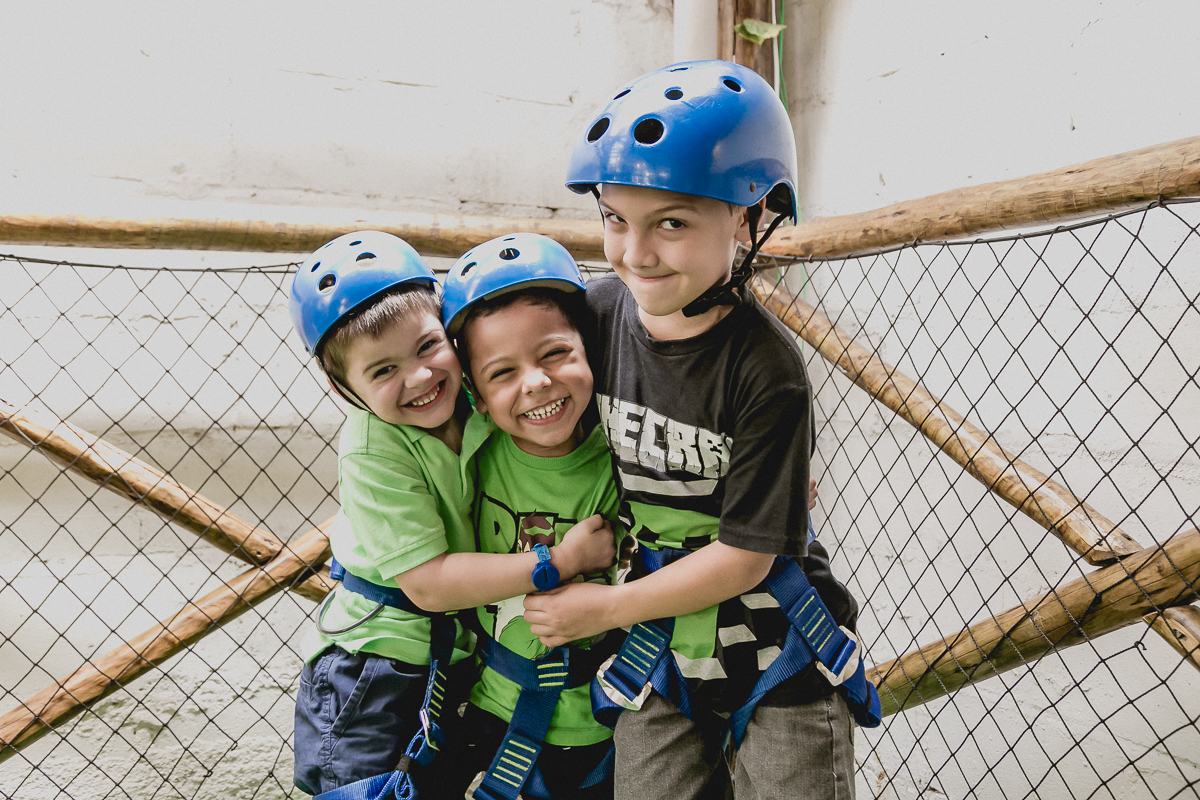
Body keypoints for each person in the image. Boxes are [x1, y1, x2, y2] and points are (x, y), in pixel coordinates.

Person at [522, 60, 881, 800]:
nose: (635, 253)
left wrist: (604, 609)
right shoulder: (594, 318)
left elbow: (747, 557)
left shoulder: (766, 370)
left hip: (775, 643)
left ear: (747, 218)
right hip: (661, 641)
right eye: (615, 219)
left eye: (672, 223)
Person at [287, 231, 615, 799]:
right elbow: (429, 585)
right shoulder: (372, 448)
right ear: (345, 389)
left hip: (452, 653)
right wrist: (557, 562)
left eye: (427, 347)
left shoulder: (477, 398)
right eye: (382, 371)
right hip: (374, 663)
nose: (419, 377)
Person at [441, 232, 624, 800]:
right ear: (474, 395)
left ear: (588, 350)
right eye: (502, 373)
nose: (537, 382)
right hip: (488, 709)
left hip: (602, 721)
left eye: (554, 354)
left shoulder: (625, 457)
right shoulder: (471, 448)